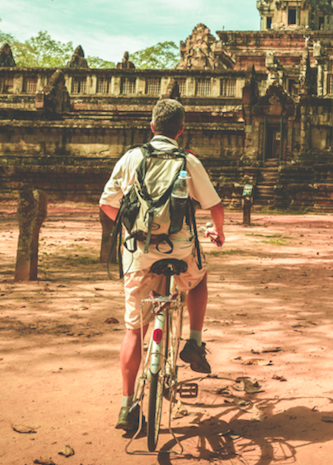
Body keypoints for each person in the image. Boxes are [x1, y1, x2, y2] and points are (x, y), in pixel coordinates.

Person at [99, 98, 225, 430]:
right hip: (181, 251)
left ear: (151, 127)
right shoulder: (188, 160)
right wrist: (219, 232)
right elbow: (216, 206)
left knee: (133, 330)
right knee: (199, 280)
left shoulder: (131, 157)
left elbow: (107, 204)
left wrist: (131, 229)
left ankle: (127, 406)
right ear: (181, 131)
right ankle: (195, 342)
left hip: (139, 252)